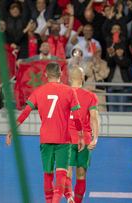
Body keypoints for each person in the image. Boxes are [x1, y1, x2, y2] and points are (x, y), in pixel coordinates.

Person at [6, 62, 85, 203]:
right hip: (63, 140)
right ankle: (66, 196)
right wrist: (80, 135)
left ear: (45, 75)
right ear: (61, 74)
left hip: (45, 138)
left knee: (47, 176)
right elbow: (77, 117)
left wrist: (12, 129)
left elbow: (25, 112)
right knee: (61, 176)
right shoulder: (69, 91)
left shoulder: (38, 91)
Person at [64, 67, 100, 203]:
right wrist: (95, 138)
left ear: (69, 78)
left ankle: (69, 197)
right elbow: (94, 118)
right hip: (84, 139)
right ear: (83, 78)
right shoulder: (90, 96)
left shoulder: (63, 94)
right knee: (81, 175)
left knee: (67, 172)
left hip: (66, 139)